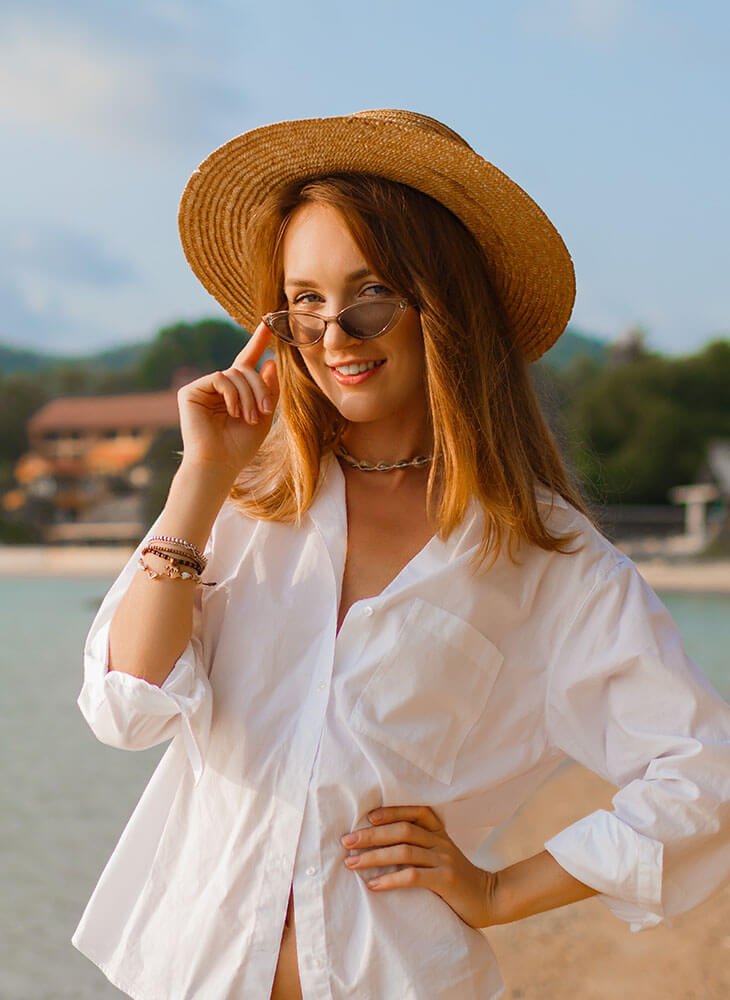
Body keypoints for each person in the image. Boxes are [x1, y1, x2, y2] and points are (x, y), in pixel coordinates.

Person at [72, 110, 730, 1000]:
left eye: (371, 291)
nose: (335, 334)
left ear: (444, 304)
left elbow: (703, 773)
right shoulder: (242, 506)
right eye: (305, 300)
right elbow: (126, 707)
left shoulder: (546, 559)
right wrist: (200, 479)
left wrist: (499, 891)